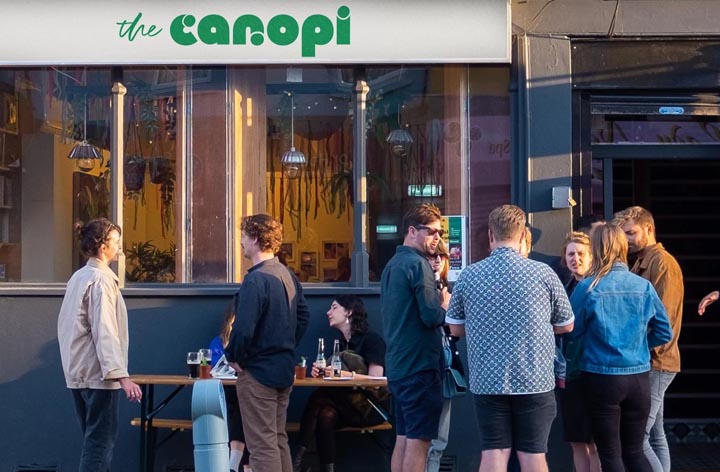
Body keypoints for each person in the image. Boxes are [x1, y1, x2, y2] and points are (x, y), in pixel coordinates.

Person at [446, 204, 574, 472]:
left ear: (490, 235)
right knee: (533, 454)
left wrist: (482, 327)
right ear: (524, 235)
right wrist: (537, 328)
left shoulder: (470, 274)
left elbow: (454, 329)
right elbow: (567, 324)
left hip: (487, 380)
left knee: (494, 451)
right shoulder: (543, 273)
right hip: (535, 379)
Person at [568, 222, 673, 472]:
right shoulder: (643, 286)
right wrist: (638, 346)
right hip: (638, 377)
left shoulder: (587, 287)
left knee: (610, 455)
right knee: (635, 452)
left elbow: (572, 331)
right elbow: (664, 331)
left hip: (601, 377)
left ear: (596, 249)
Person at [226, 214, 310, 472]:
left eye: (243, 236)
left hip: (258, 373)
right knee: (277, 438)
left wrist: (234, 357)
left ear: (254, 238)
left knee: (262, 445)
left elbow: (243, 329)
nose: (241, 241)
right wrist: (285, 344)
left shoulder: (255, 279)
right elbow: (303, 316)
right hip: (283, 369)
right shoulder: (287, 274)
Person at [57, 218, 142, 472]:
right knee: (99, 445)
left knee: (93, 441)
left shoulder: (78, 278)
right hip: (99, 375)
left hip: (78, 374)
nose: (119, 246)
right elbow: (105, 331)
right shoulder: (102, 281)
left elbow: (66, 327)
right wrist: (121, 376)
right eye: (116, 241)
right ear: (103, 247)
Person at [381, 203, 451, 472]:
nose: (437, 238)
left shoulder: (392, 264)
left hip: (398, 367)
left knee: (403, 438)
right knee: (419, 442)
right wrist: (445, 306)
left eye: (440, 233)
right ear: (412, 231)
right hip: (420, 366)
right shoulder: (418, 264)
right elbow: (431, 315)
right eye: (431, 232)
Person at [614, 206, 684, 472]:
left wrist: (639, 351)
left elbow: (663, 319)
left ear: (649, 228)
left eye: (631, 233)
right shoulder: (642, 261)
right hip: (652, 360)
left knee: (637, 439)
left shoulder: (662, 263)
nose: (627, 240)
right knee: (655, 434)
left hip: (656, 361)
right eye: (623, 234)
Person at [293, 295, 387, 472]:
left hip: (368, 409)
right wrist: (320, 374)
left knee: (319, 398)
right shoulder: (341, 343)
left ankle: (295, 461)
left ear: (349, 312)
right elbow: (334, 380)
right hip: (346, 406)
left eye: (334, 307)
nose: (328, 312)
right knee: (325, 415)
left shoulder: (372, 340)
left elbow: (376, 381)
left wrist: (342, 374)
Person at [558, 231, 601, 472]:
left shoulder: (598, 286)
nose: (576, 259)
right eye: (571, 254)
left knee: (595, 442)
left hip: (593, 369)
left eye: (581, 253)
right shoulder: (566, 286)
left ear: (592, 256)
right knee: (576, 439)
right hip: (570, 371)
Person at [425, 240, 458, 472]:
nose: (437, 260)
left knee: (439, 439)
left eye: (442, 256)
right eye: (432, 256)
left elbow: (455, 331)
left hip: (445, 365)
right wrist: (444, 309)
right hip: (424, 365)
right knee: (421, 437)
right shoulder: (421, 288)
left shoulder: (448, 289)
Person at [209, 303, 251, 472]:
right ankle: (246, 467)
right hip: (224, 394)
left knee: (245, 406)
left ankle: (234, 465)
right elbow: (214, 368)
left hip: (248, 392)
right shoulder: (218, 342)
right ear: (229, 322)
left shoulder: (251, 341)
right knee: (241, 406)